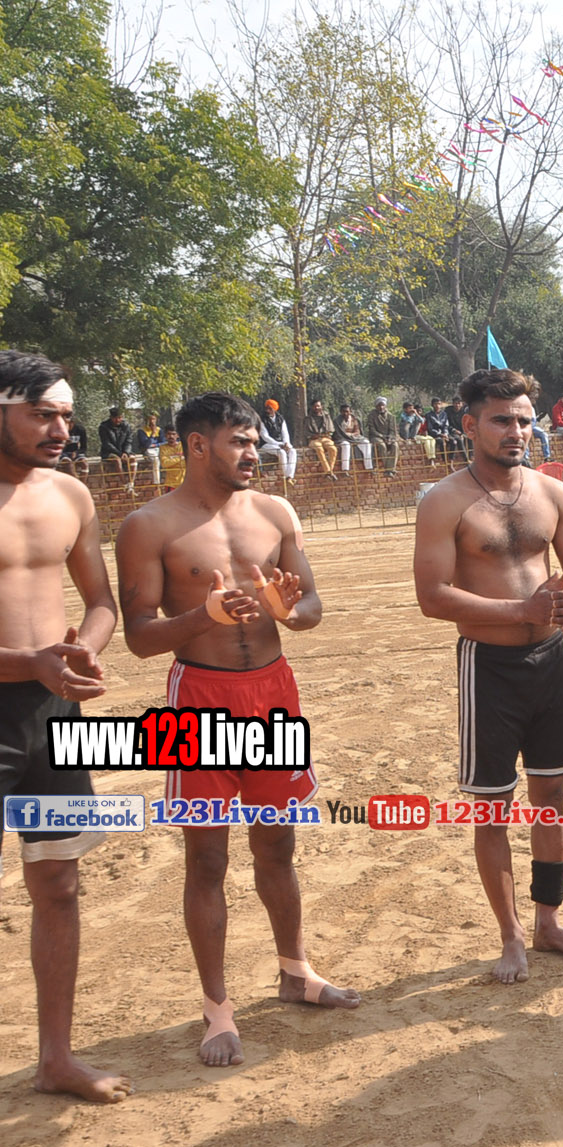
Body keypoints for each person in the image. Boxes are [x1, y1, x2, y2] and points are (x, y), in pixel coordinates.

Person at [116, 392, 359, 1066]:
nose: (254, 452)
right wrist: (206, 617)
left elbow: (311, 607)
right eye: (239, 442)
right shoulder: (148, 525)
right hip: (199, 700)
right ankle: (217, 1008)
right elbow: (138, 637)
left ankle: (295, 971)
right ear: (198, 446)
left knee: (277, 844)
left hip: (274, 693)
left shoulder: (276, 512)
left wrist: (285, 609)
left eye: (255, 441)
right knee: (208, 857)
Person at [414, 368, 563, 984]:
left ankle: (549, 923)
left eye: (524, 420)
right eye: (502, 420)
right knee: (493, 807)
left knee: (552, 797)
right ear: (470, 425)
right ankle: (511, 936)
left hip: (551, 661)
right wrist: (521, 611)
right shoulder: (445, 501)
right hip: (488, 667)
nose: (517, 431)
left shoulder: (552, 492)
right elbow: (433, 596)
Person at [0, 351, 130, 1102]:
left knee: (58, 881)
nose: (59, 429)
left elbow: (101, 603)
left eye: (66, 416)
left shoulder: (72, 495)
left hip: (54, 714)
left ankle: (56, 1059)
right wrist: (28, 661)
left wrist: (86, 652)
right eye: (41, 414)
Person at [257, 400, 298, 480]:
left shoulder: (280, 419)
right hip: (266, 444)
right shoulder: (262, 420)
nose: (268, 410)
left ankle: (290, 476)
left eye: (270, 408)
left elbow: (285, 433)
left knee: (293, 451)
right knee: (281, 452)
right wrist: (279, 444)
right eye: (267, 408)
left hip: (280, 443)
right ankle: (286, 476)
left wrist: (286, 443)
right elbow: (265, 436)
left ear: (274, 409)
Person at [99, 406, 135, 485]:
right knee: (117, 460)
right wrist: (120, 454)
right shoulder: (103, 427)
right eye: (115, 418)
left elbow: (128, 441)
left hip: (123, 451)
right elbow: (107, 444)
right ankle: (124, 484)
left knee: (132, 459)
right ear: (111, 417)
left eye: (120, 417)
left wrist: (126, 452)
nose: (118, 420)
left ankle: (131, 484)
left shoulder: (126, 426)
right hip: (109, 452)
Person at [335, 402, 374, 473]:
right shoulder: (337, 421)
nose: (345, 413)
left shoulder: (355, 419)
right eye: (343, 411)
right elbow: (339, 433)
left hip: (355, 438)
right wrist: (348, 435)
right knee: (346, 445)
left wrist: (351, 435)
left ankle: (369, 468)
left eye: (347, 411)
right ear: (340, 412)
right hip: (343, 438)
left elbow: (357, 431)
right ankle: (345, 470)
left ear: (350, 411)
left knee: (366, 443)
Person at [366, 397, 400, 477]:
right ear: (376, 406)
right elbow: (372, 430)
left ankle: (390, 469)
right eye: (379, 405)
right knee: (382, 445)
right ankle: (388, 469)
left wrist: (389, 438)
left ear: (385, 406)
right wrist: (382, 437)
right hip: (376, 436)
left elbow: (392, 430)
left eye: (383, 405)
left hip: (388, 437)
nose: (381, 407)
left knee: (395, 445)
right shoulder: (371, 415)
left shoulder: (390, 416)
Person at [424, 396, 461, 465]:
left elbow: (446, 425)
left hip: (444, 434)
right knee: (441, 442)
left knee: (454, 442)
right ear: (432, 405)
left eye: (439, 404)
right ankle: (445, 461)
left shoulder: (444, 414)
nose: (437, 406)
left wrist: (445, 434)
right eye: (435, 404)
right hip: (435, 434)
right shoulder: (428, 415)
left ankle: (451, 460)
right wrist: (440, 434)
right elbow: (430, 428)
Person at [304, 399, 336, 476]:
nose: (317, 408)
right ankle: (328, 471)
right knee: (319, 448)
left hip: (325, 438)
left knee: (333, 449)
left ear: (321, 406)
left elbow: (331, 430)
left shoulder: (326, 416)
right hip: (313, 440)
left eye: (318, 406)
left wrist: (327, 435)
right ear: (312, 407)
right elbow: (306, 433)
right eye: (315, 406)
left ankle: (330, 470)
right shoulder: (308, 418)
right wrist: (313, 436)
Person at [398, 400, 435, 465]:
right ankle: (407, 438)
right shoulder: (403, 415)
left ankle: (432, 458)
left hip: (412, 433)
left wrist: (416, 414)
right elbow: (408, 421)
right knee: (407, 423)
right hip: (405, 433)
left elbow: (422, 421)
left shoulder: (414, 415)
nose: (411, 410)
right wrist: (412, 415)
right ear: (405, 409)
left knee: (419, 423)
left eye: (412, 408)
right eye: (409, 408)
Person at [135, 412, 165, 487]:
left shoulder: (159, 430)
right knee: (155, 460)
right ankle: (157, 482)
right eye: (150, 419)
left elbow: (163, 442)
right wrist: (153, 434)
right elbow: (146, 445)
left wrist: (156, 445)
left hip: (158, 448)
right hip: (148, 450)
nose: (152, 421)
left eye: (153, 419)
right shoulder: (142, 431)